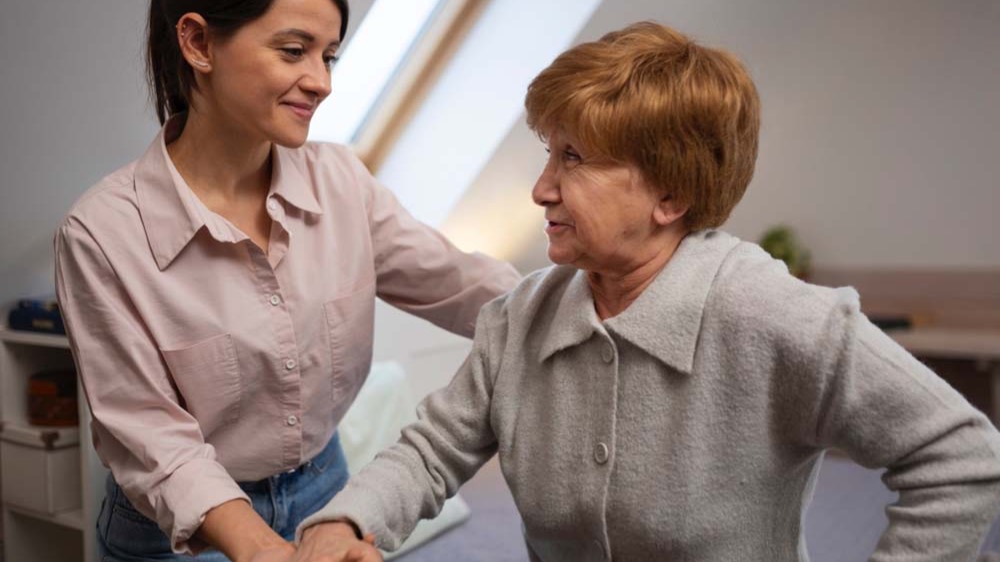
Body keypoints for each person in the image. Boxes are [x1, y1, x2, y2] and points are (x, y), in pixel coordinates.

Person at [292, 21, 1000, 562]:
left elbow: (962, 459)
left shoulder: (771, 314)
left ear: (671, 193)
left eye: (573, 158)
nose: (541, 188)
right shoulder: (522, 317)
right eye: (548, 153)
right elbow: (430, 451)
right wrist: (348, 521)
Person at [53, 0, 520, 560]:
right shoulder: (102, 235)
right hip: (172, 535)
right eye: (294, 51)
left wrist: (603, 290)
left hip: (326, 488)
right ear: (198, 43)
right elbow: (153, 439)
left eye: (329, 57)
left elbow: (462, 284)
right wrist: (259, 548)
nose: (321, 82)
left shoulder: (341, 182)